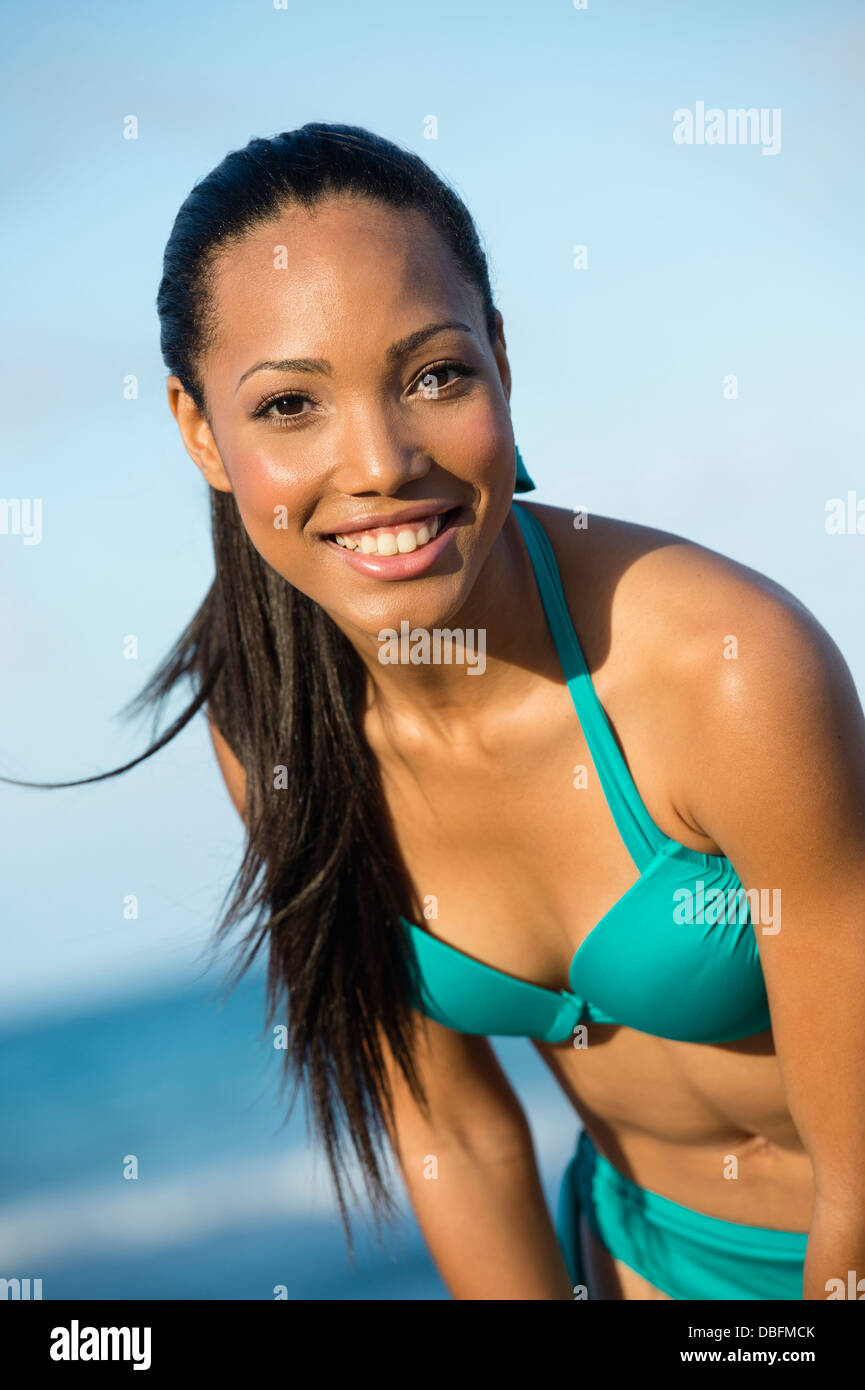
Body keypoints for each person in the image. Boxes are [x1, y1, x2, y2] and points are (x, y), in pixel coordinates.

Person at [11, 123, 865, 1300]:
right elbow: (452, 1136)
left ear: (500, 364)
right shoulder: (270, 726)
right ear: (200, 430)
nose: (378, 461)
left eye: (432, 376)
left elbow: (856, 1181)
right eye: (289, 405)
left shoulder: (725, 669)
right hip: (646, 1256)